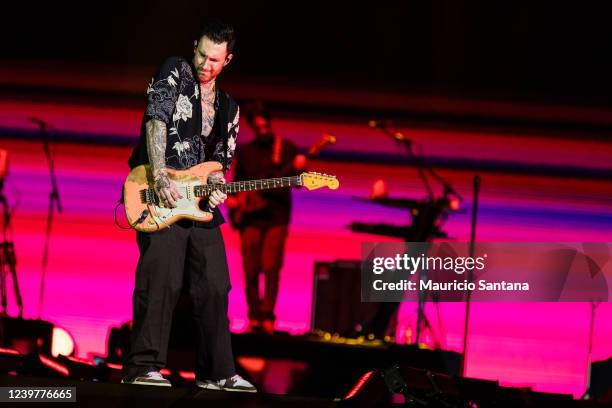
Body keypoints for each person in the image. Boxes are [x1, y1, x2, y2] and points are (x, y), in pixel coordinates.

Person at [121, 19, 256, 392]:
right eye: (201, 54)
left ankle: (217, 372)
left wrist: (216, 189)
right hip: (159, 193)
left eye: (214, 59)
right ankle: (142, 366)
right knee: (160, 280)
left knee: (215, 285)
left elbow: (220, 165)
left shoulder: (230, 108)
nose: (205, 65)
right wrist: (160, 177)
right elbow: (156, 120)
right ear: (194, 45)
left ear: (228, 60)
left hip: (198, 206)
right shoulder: (175, 70)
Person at [226, 102, 306, 334]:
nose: (262, 128)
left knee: (271, 267)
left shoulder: (286, 148)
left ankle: (268, 317)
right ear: (253, 126)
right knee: (250, 270)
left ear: (270, 123)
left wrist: (300, 170)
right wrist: (233, 201)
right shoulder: (246, 152)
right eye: (258, 125)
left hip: (276, 217)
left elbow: (298, 184)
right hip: (250, 217)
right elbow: (236, 182)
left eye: (265, 124)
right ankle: (254, 318)